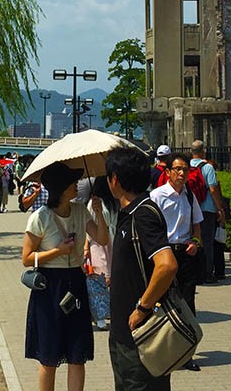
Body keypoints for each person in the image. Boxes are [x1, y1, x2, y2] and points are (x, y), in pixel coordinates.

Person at [22, 162, 110, 391]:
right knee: (48, 355)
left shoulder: (81, 211)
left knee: (77, 353)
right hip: (49, 286)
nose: (77, 186)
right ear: (61, 187)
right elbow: (27, 258)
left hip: (75, 282)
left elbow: (102, 238)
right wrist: (58, 251)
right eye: (73, 182)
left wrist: (99, 214)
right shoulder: (40, 217)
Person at [105, 146, 178, 391]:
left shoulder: (143, 214)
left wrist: (142, 308)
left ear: (115, 179)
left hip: (142, 335)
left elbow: (167, 266)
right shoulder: (128, 213)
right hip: (124, 333)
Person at [149, 153, 203, 371]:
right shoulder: (157, 196)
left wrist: (196, 242)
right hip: (164, 254)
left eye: (185, 169)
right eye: (177, 169)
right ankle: (161, 351)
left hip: (186, 253)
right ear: (168, 171)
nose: (182, 173)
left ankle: (186, 354)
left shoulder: (189, 196)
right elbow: (150, 227)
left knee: (187, 304)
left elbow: (197, 223)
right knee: (162, 302)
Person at [190, 140, 227, 284]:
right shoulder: (208, 168)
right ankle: (207, 273)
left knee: (193, 240)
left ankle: (194, 271)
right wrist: (220, 208)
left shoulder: (185, 166)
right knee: (207, 242)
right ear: (203, 151)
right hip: (207, 209)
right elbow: (212, 189)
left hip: (190, 208)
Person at [85, 176, 118, 331]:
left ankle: (104, 312)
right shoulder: (95, 203)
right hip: (97, 242)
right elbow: (88, 225)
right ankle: (99, 316)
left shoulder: (114, 202)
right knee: (98, 278)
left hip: (110, 241)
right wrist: (85, 248)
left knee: (107, 278)